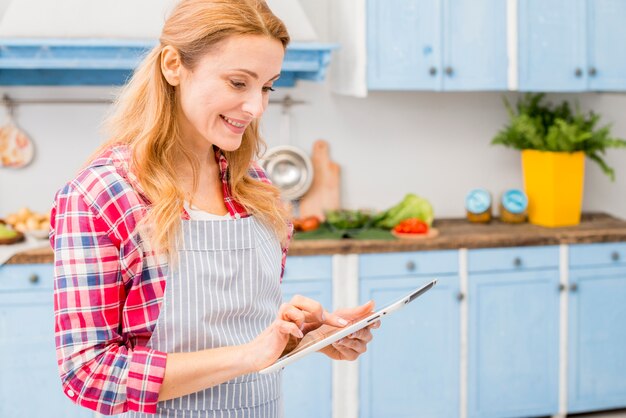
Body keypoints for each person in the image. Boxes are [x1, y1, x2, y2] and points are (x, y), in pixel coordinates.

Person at [50, 0, 378, 417]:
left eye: (267, 87)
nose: (257, 107)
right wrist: (248, 355)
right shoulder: (102, 195)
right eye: (238, 83)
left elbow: (248, 338)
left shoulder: (256, 188)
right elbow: (88, 374)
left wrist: (302, 338)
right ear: (173, 66)